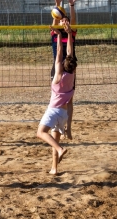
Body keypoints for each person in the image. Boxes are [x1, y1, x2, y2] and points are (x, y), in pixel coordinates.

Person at [37, 20, 78, 175]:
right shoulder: (72, 76)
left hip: (54, 111)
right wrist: (67, 33)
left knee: (40, 133)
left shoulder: (58, 78)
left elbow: (60, 53)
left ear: (62, 66)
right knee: (54, 142)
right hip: (63, 114)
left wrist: (58, 35)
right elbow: (69, 54)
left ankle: (61, 150)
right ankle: (54, 168)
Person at [51, 0, 79, 140]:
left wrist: (71, 5)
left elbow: (72, 20)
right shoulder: (55, 32)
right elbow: (56, 17)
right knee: (56, 97)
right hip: (57, 69)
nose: (65, 21)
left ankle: (68, 128)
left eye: (67, 20)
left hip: (70, 68)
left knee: (69, 100)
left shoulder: (71, 32)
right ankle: (57, 125)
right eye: (63, 20)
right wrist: (57, 5)